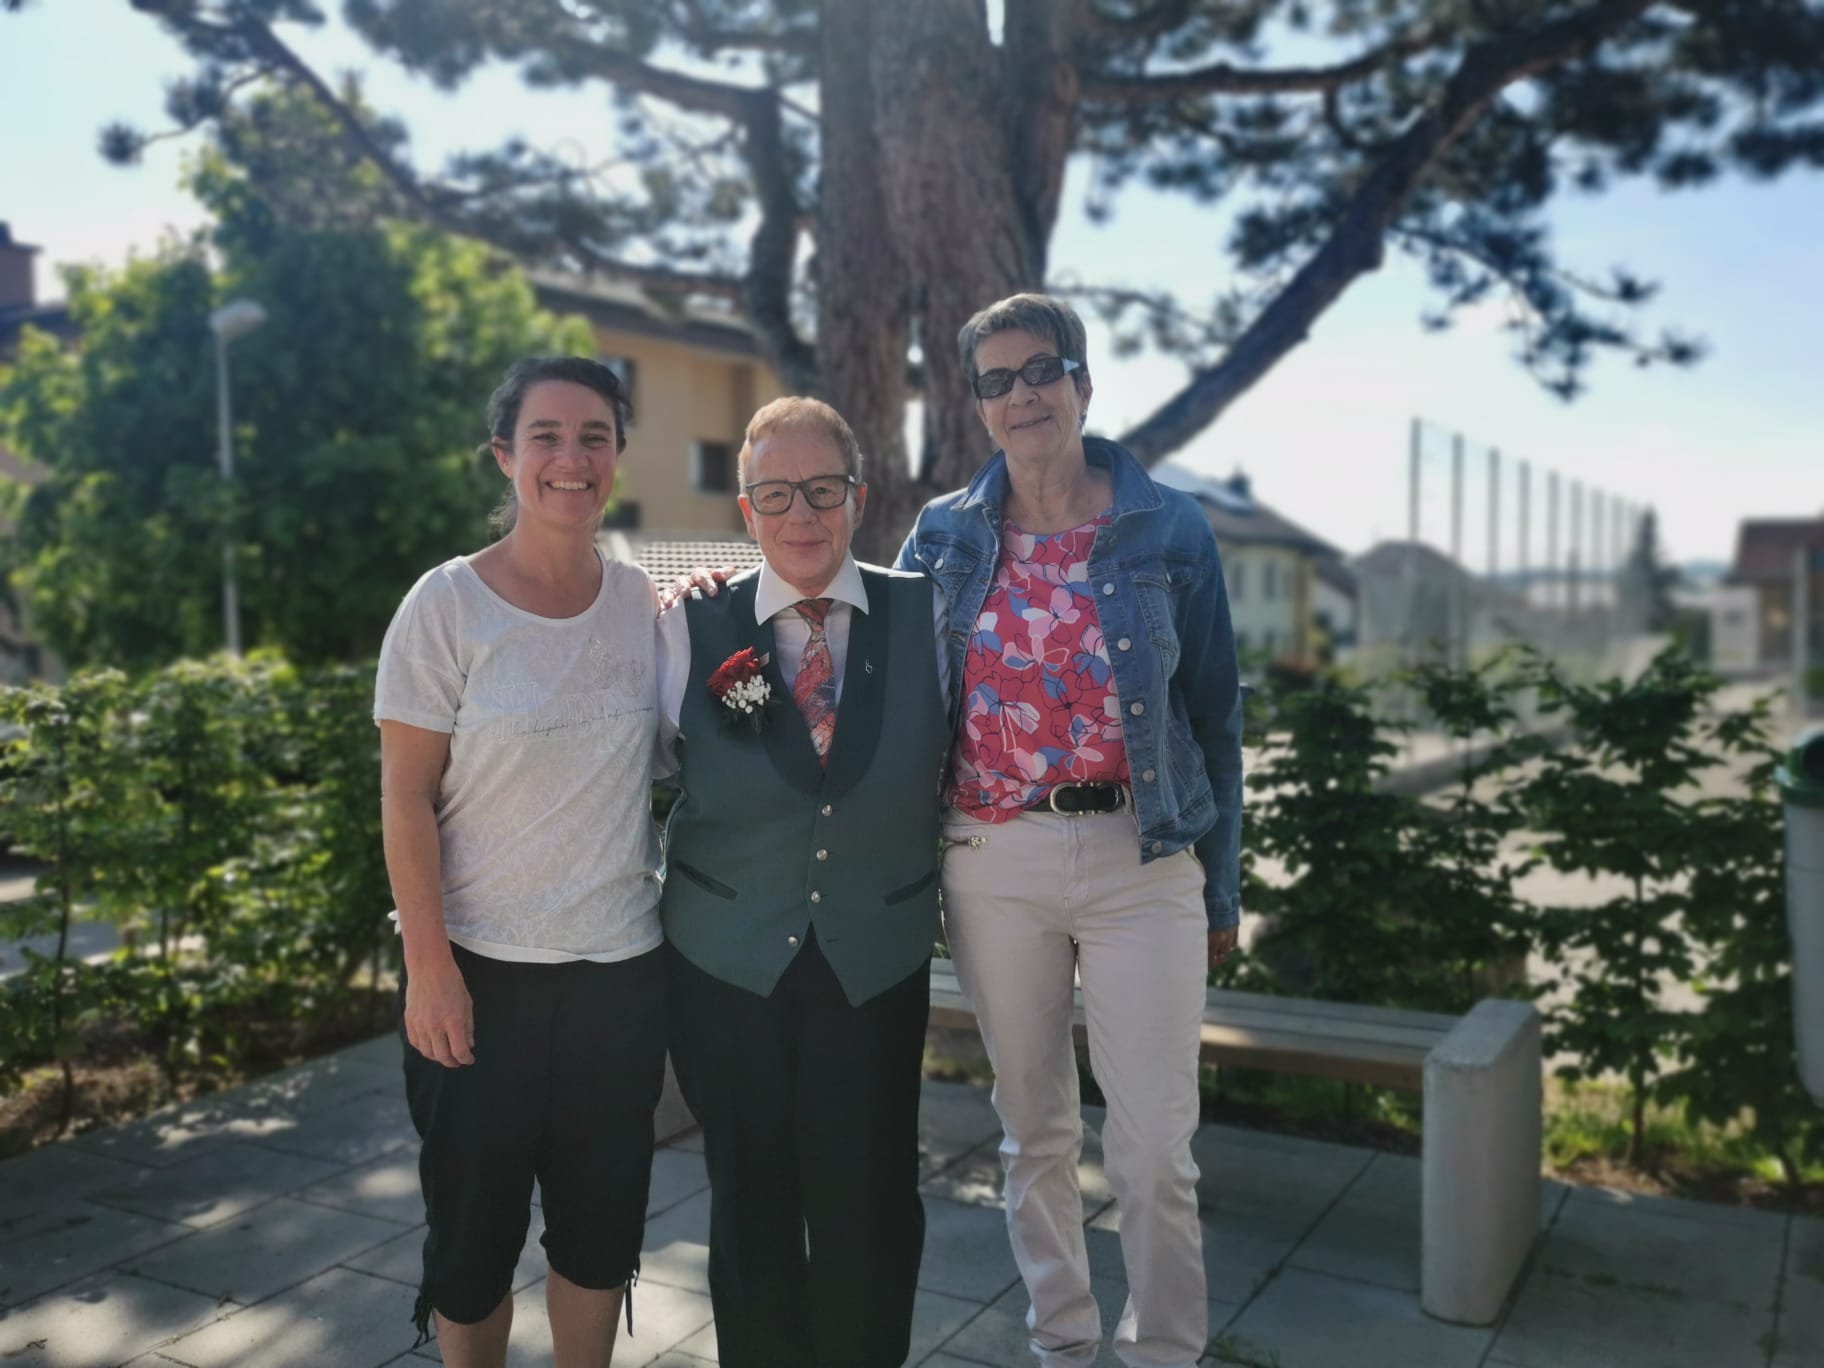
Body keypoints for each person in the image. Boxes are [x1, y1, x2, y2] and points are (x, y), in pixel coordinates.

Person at [895, 293, 1243, 1368]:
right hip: (993, 860)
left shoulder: (1170, 529)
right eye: (996, 381)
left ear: (1083, 384)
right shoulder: (943, 534)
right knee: (1034, 1134)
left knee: (1154, 1151)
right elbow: (885, 684)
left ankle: (1163, 1351)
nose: (1023, 395)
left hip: (1145, 856)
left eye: (1041, 370)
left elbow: (1216, 716)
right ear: (979, 408)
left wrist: (1223, 888)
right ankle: (1063, 1344)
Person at [375, 356, 667, 1368]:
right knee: (471, 1248)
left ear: (617, 457)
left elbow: (703, 737)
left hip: (619, 981)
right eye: (546, 435)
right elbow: (405, 796)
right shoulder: (446, 605)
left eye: (594, 436)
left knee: (599, 1238)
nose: (570, 457)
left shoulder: (645, 605)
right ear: (505, 454)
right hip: (476, 981)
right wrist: (429, 969)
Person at [656, 396, 949, 1368]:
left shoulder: (929, 615)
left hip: (875, 962)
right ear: (747, 510)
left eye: (823, 489)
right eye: (776, 494)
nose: (802, 513)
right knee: (750, 1203)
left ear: (858, 498)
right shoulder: (685, 625)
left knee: (871, 1201)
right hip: (725, 963)